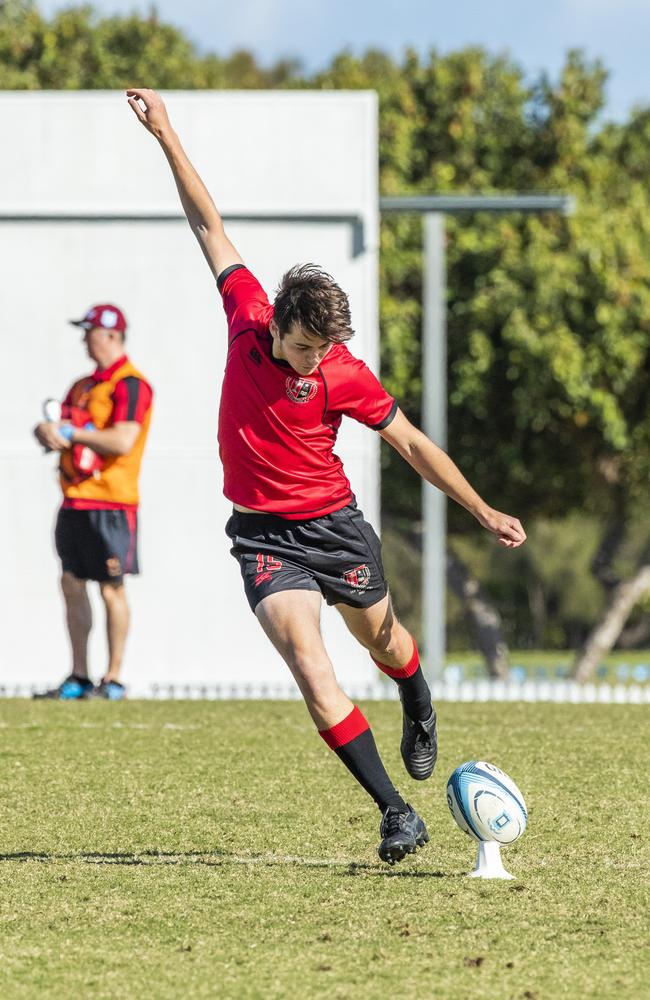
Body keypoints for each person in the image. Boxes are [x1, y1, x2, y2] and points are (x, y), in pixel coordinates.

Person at [126, 88, 526, 864]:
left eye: (323, 349)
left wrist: (481, 508)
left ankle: (416, 696)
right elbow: (208, 223)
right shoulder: (245, 315)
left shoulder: (343, 372)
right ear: (275, 323)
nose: (315, 362)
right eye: (306, 347)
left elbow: (409, 443)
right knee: (310, 664)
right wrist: (167, 133)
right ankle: (395, 812)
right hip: (264, 536)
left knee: (385, 640)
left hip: (334, 526)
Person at [33, 303, 153, 701]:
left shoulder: (131, 384)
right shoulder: (83, 386)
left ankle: (113, 679)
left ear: (112, 335)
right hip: (74, 501)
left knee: (111, 588)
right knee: (70, 582)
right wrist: (45, 430)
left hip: (113, 504)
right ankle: (79, 676)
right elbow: (62, 425)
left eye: (91, 332)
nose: (86, 340)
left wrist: (70, 432)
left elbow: (122, 440)